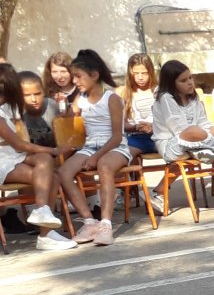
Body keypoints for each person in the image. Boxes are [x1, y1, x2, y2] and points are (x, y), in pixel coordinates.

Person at [56, 50, 131, 246]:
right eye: (73, 77)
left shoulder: (111, 98)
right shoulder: (80, 99)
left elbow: (117, 136)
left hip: (115, 147)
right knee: (63, 172)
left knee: (104, 166)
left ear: (94, 75)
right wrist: (63, 106)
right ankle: (89, 223)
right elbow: (67, 120)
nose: (75, 81)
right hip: (89, 147)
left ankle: (106, 225)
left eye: (78, 76)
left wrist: (96, 157)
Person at [0, 65, 72, 248]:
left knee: (44, 160)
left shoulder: (6, 108)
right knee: (51, 176)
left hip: (11, 156)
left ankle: (43, 216)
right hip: (3, 160)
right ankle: (45, 232)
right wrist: (54, 151)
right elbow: (18, 144)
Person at [153, 60, 214, 162]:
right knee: (193, 131)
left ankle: (199, 153)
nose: (190, 83)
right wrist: (213, 133)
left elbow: (203, 123)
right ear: (171, 84)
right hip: (172, 146)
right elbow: (180, 130)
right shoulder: (165, 98)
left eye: (190, 78)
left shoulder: (192, 97)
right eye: (183, 81)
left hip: (197, 139)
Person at [44, 52, 78, 116]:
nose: (59, 77)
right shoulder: (47, 93)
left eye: (63, 71)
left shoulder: (81, 90)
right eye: (54, 72)